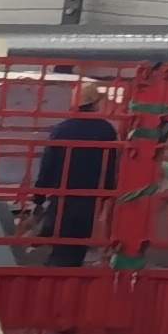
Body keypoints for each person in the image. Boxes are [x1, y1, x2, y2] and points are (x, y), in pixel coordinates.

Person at [23, 83, 122, 269]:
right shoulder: (106, 130)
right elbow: (110, 165)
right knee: (76, 246)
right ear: (95, 104)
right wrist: (107, 193)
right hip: (89, 196)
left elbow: (47, 166)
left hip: (62, 195)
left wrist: (39, 197)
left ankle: (52, 269)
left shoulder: (61, 130)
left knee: (61, 240)